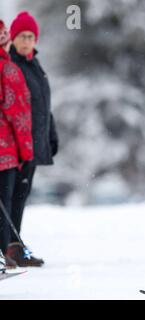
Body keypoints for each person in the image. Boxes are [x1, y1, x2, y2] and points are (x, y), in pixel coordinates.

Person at [5, 11, 59, 268]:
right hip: (16, 145)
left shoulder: (35, 65)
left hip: (34, 142)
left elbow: (43, 106)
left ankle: (15, 246)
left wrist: (51, 134)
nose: (27, 41)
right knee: (11, 197)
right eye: (22, 36)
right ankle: (9, 247)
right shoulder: (11, 65)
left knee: (21, 196)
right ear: (13, 39)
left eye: (31, 36)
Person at [0, 19, 33, 270]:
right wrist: (26, 152)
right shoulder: (8, 69)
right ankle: (2, 256)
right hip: (7, 151)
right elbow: (18, 113)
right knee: (4, 203)